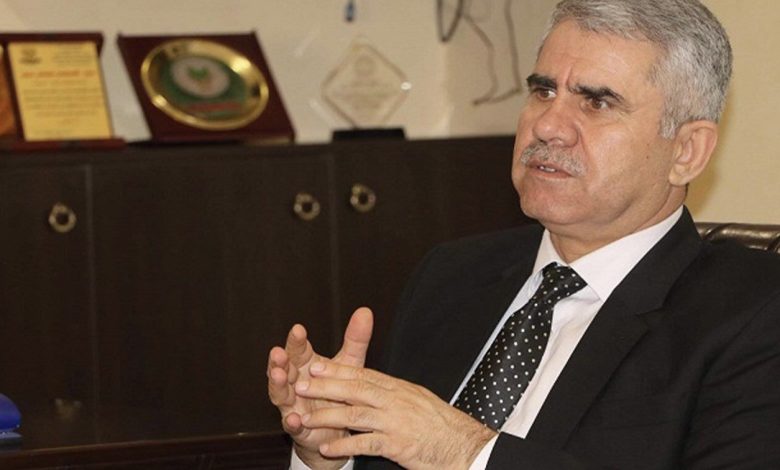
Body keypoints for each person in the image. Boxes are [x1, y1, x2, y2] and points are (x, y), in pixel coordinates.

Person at [267, 0, 780, 468]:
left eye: (597, 103)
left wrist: (465, 451)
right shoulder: (452, 274)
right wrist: (329, 454)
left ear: (687, 151)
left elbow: (441, 444)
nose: (548, 126)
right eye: (543, 91)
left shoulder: (752, 317)